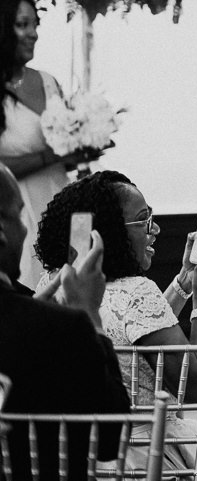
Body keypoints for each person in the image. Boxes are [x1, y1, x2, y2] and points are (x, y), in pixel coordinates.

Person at [33, 171, 197, 480]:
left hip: (80, 457)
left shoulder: (56, 283)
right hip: (144, 457)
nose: (155, 229)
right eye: (144, 220)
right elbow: (195, 389)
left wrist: (184, 284)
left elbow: (133, 334)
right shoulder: (136, 291)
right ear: (109, 232)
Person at [0, 164, 130, 481]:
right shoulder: (63, 328)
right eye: (19, 215)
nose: (25, 227)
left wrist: (31, 310)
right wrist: (88, 312)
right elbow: (111, 441)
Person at [0, 0, 87, 286]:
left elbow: (67, 150)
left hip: (58, 202)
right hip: (14, 212)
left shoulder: (48, 82)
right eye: (22, 24)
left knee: (68, 294)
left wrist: (85, 144)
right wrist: (53, 156)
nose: (33, 33)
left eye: (35, 24)